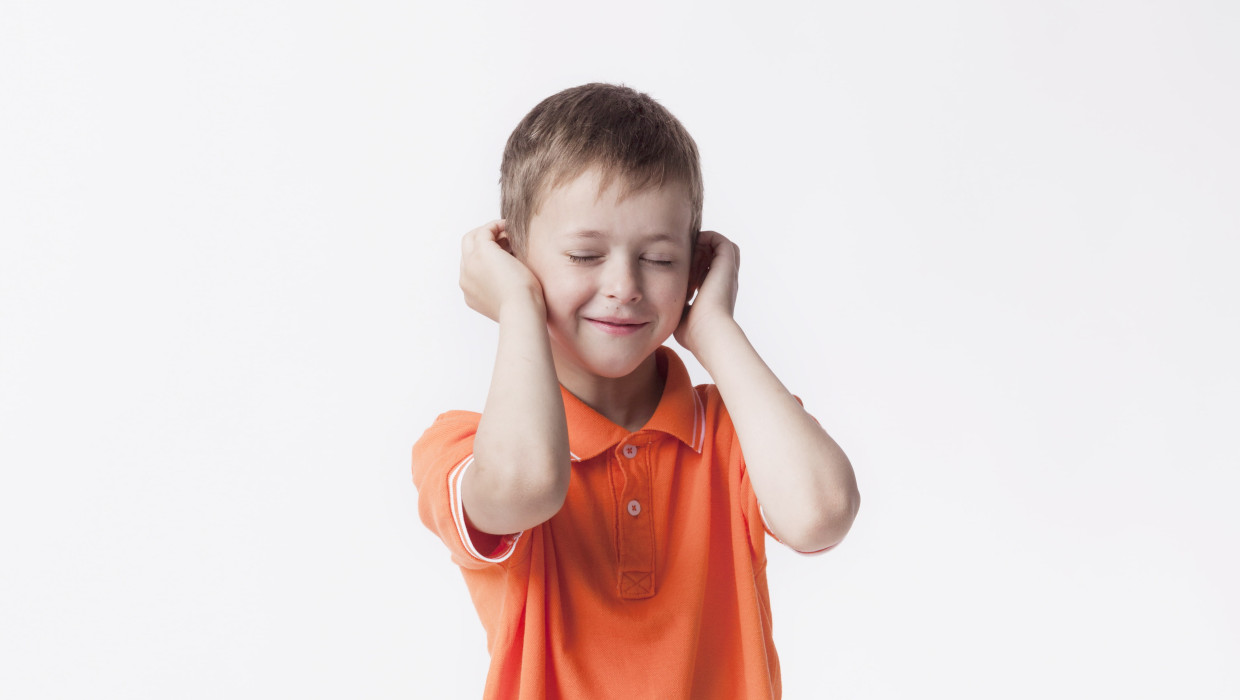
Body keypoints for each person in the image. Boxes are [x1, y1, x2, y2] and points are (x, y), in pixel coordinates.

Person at [411, 82, 860, 699]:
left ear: (695, 266)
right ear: (513, 259)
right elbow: (524, 489)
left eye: (659, 259)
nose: (624, 285)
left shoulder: (737, 432)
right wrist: (517, 304)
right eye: (584, 254)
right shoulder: (469, 445)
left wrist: (715, 330)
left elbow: (821, 515)